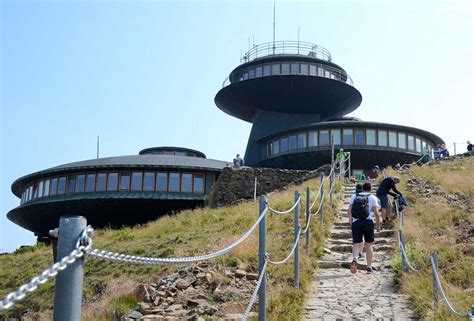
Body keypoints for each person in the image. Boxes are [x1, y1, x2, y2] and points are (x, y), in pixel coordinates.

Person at [348, 182, 380, 274]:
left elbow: (349, 210)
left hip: (356, 222)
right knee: (369, 245)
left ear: (362, 188)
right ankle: (369, 267)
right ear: (370, 189)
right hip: (368, 222)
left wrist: (351, 221)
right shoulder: (372, 197)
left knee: (356, 243)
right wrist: (378, 225)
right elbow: (376, 213)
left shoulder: (354, 196)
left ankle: (355, 259)